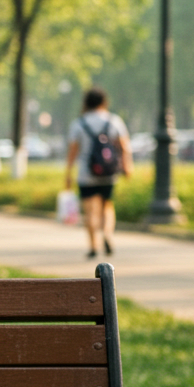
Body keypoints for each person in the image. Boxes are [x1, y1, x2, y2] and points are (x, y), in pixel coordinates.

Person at [64, 88, 132, 259]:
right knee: (106, 206)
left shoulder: (79, 123)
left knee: (89, 211)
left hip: (86, 173)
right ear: (104, 102)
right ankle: (107, 234)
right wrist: (126, 166)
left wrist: (68, 173)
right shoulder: (114, 120)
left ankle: (93, 245)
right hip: (108, 172)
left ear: (86, 103)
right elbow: (124, 146)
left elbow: (73, 151)